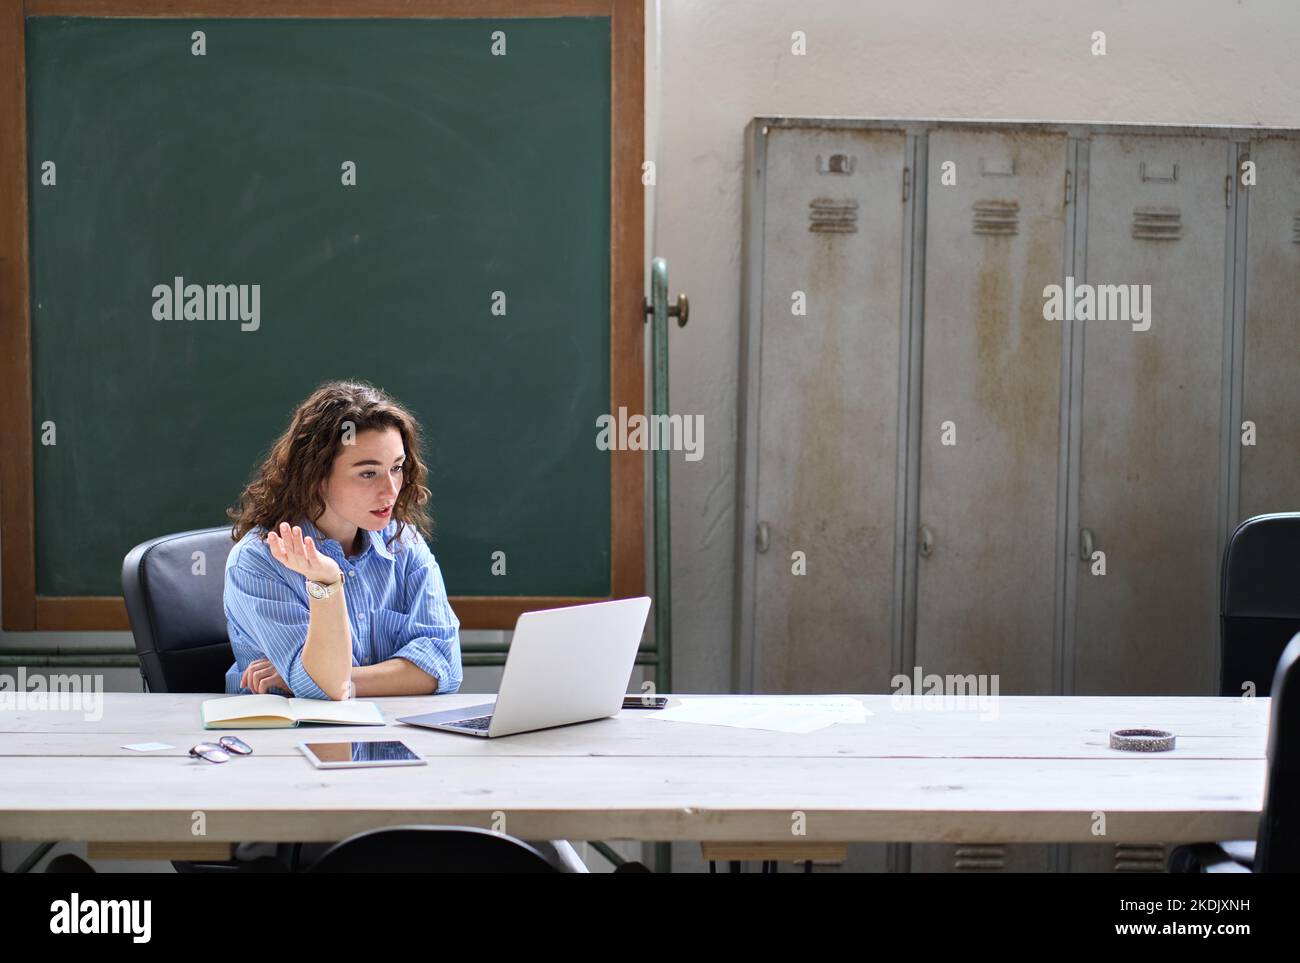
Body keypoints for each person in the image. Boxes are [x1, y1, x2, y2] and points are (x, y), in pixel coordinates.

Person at [221, 379, 586, 873]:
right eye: (368, 473)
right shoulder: (259, 562)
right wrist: (326, 584)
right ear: (316, 477)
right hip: (297, 784)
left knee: (543, 849)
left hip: (401, 764)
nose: (390, 490)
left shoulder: (402, 542)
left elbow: (441, 667)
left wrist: (326, 680)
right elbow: (326, 691)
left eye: (396, 469)